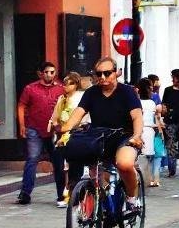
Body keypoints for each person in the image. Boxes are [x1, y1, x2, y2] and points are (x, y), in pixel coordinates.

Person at [58, 58, 146, 211]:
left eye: (107, 73)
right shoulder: (91, 93)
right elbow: (77, 114)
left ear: (117, 73)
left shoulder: (127, 92)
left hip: (125, 137)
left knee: (124, 164)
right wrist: (63, 130)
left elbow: (137, 116)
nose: (103, 77)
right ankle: (103, 209)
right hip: (99, 138)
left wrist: (137, 136)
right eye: (99, 74)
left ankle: (132, 198)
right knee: (95, 176)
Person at [15, 62, 64, 206]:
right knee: (32, 159)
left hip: (54, 130)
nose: (50, 74)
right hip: (34, 128)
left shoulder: (61, 88)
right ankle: (25, 193)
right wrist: (22, 125)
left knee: (58, 162)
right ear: (40, 73)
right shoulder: (30, 88)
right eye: (47, 72)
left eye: (52, 72)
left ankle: (61, 194)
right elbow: (21, 106)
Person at [49, 72, 86, 204]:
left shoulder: (81, 97)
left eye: (69, 83)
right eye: (64, 83)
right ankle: (61, 194)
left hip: (77, 134)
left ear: (76, 84)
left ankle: (74, 194)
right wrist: (55, 125)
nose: (66, 86)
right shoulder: (61, 99)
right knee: (59, 165)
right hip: (61, 136)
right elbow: (55, 117)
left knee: (75, 167)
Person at [136, 80, 162, 187]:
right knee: (148, 157)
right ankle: (149, 179)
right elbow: (156, 117)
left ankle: (142, 178)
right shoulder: (151, 103)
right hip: (149, 130)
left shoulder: (137, 103)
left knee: (139, 156)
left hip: (139, 130)